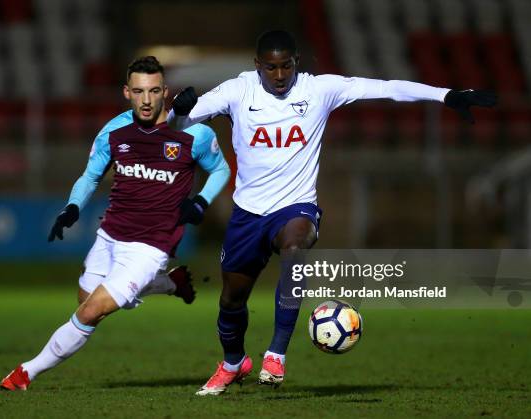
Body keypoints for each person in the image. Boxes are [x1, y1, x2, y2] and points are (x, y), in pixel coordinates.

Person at [168, 30, 497, 395]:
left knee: (296, 248)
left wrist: (446, 95)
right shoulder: (237, 91)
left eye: (287, 66)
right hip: (249, 213)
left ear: (297, 63)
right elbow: (176, 128)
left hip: (296, 206)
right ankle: (233, 363)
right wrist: (178, 111)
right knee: (231, 299)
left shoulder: (319, 89)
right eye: (272, 68)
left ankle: (275, 354)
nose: (280, 76)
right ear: (257, 65)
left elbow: (386, 87)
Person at [0, 56, 230, 391]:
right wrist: (72, 208)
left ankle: (26, 372)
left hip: (152, 246)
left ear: (165, 91)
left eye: (154, 91)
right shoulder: (114, 131)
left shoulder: (193, 133)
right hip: (110, 235)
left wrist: (201, 201)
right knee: (85, 298)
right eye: (138, 91)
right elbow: (89, 176)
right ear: (127, 92)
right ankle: (168, 284)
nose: (147, 100)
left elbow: (221, 169)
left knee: (91, 311)